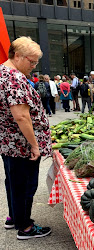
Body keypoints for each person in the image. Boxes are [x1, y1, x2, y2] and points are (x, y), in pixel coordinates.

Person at [0, 36, 52, 239]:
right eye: (31, 61)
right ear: (17, 56)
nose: (34, 65)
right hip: (21, 145)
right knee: (26, 184)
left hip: (9, 143)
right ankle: (25, 227)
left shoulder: (3, 72)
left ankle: (14, 217)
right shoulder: (14, 78)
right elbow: (21, 115)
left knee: (13, 181)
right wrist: (35, 145)